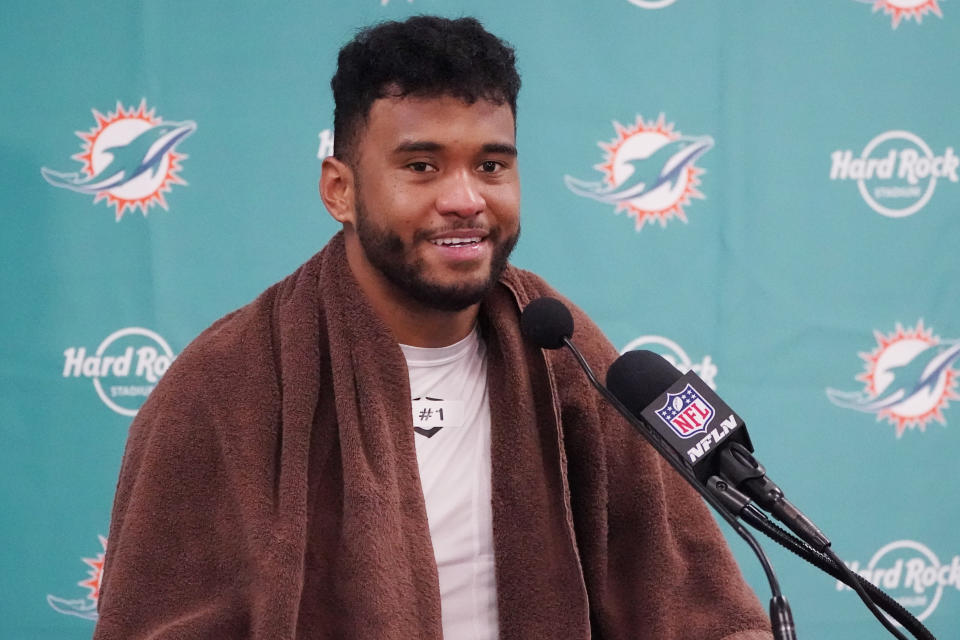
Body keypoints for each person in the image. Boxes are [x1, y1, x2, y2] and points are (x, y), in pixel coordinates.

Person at [94, 15, 773, 640]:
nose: (465, 199)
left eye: (491, 166)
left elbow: (691, 605)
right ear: (340, 189)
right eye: (422, 166)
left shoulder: (568, 357)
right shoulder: (225, 383)